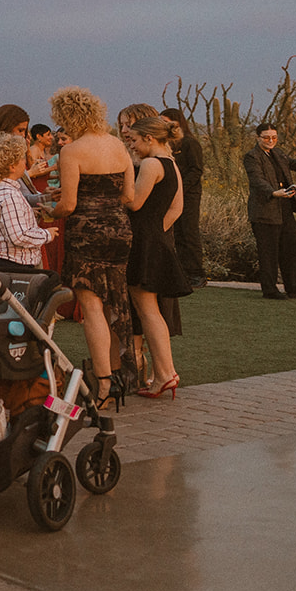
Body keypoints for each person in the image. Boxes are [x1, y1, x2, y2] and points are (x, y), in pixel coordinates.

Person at [48, 87, 136, 403]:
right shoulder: (118, 145)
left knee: (92, 305)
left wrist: (47, 210)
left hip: (85, 233)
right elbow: (128, 196)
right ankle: (119, 375)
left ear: (68, 117)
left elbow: (68, 204)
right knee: (115, 301)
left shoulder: (71, 152)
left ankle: (102, 384)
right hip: (119, 230)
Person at [124, 115, 191, 398]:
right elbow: (177, 207)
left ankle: (163, 374)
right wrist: (159, 232)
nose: (134, 146)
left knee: (147, 310)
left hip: (143, 240)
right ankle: (167, 372)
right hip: (155, 238)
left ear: (149, 138)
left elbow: (135, 202)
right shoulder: (172, 165)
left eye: (136, 141)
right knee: (152, 311)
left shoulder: (151, 164)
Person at [242, 121, 296, 300]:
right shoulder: (252, 156)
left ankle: (295, 287)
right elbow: (256, 180)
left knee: (294, 248)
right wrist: (273, 192)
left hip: (285, 208)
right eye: (266, 137)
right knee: (268, 252)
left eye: (274, 137)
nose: (271, 140)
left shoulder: (278, 153)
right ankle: (270, 290)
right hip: (265, 210)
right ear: (258, 138)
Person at [0, 134, 52, 270]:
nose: (25, 163)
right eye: (21, 159)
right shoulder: (9, 195)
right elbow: (19, 236)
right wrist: (47, 234)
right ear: (12, 166)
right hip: (14, 265)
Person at [161, 107, 206, 286]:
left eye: (166, 122)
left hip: (189, 195)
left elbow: (196, 170)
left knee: (189, 232)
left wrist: (181, 188)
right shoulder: (169, 144)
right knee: (178, 233)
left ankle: (197, 273)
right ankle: (183, 271)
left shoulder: (189, 143)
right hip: (173, 195)